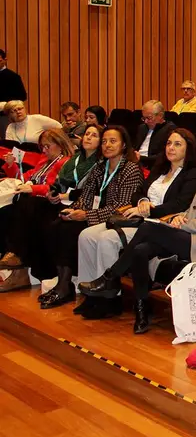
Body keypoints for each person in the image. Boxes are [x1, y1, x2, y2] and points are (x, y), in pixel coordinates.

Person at [79, 138, 196, 333]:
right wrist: (178, 218)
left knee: (149, 229)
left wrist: (186, 224)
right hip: (190, 236)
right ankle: (142, 309)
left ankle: (111, 277)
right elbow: (191, 212)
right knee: (141, 250)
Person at [73, 128, 196, 319]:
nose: (171, 148)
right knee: (86, 235)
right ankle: (91, 296)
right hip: (137, 218)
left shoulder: (192, 174)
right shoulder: (160, 168)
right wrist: (142, 202)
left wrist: (150, 209)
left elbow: (180, 204)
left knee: (107, 239)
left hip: (158, 225)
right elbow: (137, 193)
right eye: (168, 143)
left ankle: (110, 298)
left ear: (189, 148)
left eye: (177, 144)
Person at [41, 126, 144, 309]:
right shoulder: (99, 167)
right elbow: (85, 197)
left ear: (123, 145)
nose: (107, 145)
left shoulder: (130, 170)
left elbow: (122, 208)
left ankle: (65, 287)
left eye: (113, 141)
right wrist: (74, 211)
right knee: (56, 226)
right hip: (91, 215)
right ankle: (64, 284)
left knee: (69, 232)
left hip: (112, 219)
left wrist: (86, 215)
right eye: (104, 142)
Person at [0, 128, 75, 292]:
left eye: (48, 146)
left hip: (52, 203)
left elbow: (56, 187)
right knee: (8, 210)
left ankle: (16, 253)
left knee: (23, 207)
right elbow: (26, 177)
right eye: (42, 147)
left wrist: (33, 189)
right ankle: (12, 256)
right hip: (35, 202)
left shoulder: (66, 162)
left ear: (60, 145)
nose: (45, 150)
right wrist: (11, 167)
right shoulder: (44, 161)